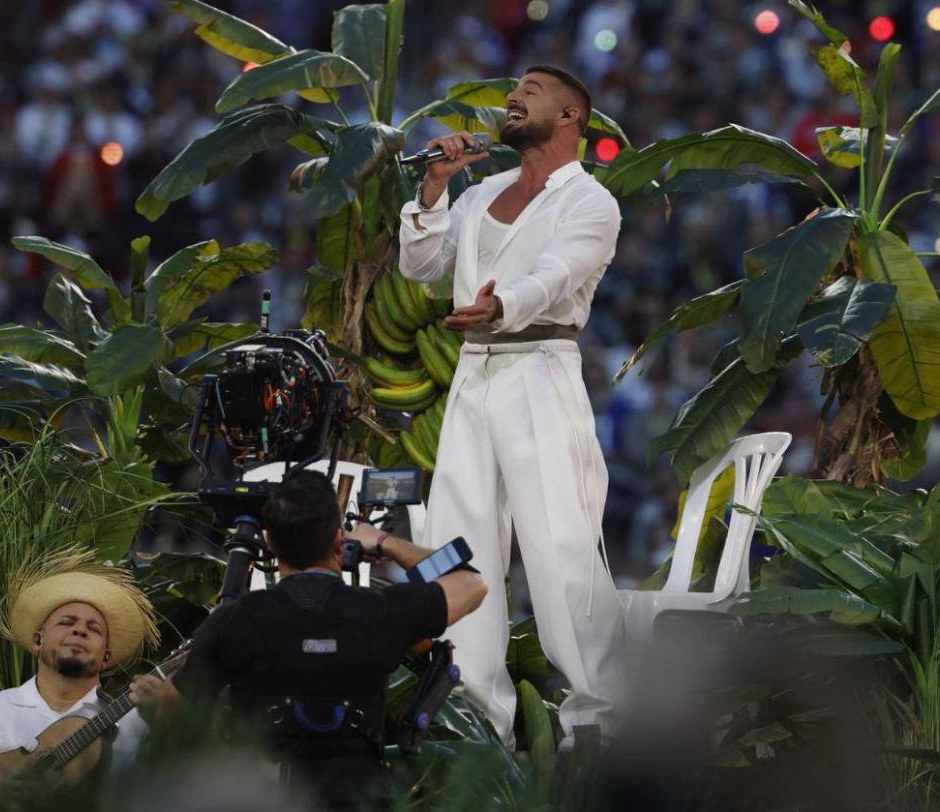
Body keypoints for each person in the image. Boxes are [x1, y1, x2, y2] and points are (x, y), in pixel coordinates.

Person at [397, 64, 627, 749]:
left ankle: (601, 730)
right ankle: (473, 725)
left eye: (531, 91)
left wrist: (502, 305)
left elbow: (558, 274)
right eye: (512, 91)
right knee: (458, 544)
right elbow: (422, 266)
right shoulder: (484, 190)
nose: (512, 98)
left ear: (569, 118)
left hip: (539, 368)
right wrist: (435, 188)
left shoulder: (590, 202)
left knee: (560, 549)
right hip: (474, 375)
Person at [129, 469, 487, 807]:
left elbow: (174, 717)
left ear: (269, 542)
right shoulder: (382, 612)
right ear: (337, 540)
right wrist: (383, 541)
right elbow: (471, 583)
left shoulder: (232, 621)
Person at [0, 548, 160, 810]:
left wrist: (167, 716)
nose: (80, 630)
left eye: (94, 629)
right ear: (38, 640)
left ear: (105, 657)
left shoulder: (136, 721)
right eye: (67, 623)